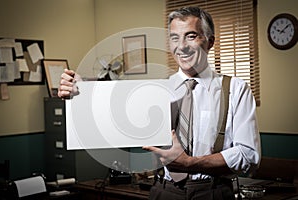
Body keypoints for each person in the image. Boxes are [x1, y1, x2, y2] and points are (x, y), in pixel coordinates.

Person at [58, 6, 261, 200]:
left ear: (209, 41)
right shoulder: (156, 90)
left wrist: (190, 164)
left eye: (191, 36)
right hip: (164, 192)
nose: (181, 47)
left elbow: (249, 155)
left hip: (213, 192)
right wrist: (81, 93)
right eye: (174, 38)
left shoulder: (235, 89)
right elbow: (109, 121)